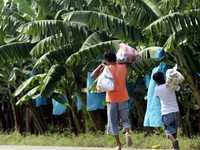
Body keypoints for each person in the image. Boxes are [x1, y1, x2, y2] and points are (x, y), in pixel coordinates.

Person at [91, 51, 132, 150]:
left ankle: (119, 145)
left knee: (113, 122)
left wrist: (101, 65)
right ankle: (127, 132)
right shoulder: (124, 67)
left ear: (106, 60)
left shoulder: (106, 69)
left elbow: (93, 76)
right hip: (123, 97)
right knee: (125, 119)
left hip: (112, 99)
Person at [153, 72, 180, 150]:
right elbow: (178, 88)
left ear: (156, 81)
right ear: (164, 77)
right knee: (174, 130)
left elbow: (157, 97)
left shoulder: (157, 89)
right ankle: (174, 148)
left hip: (166, 112)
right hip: (176, 111)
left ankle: (174, 142)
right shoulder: (170, 85)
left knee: (167, 131)